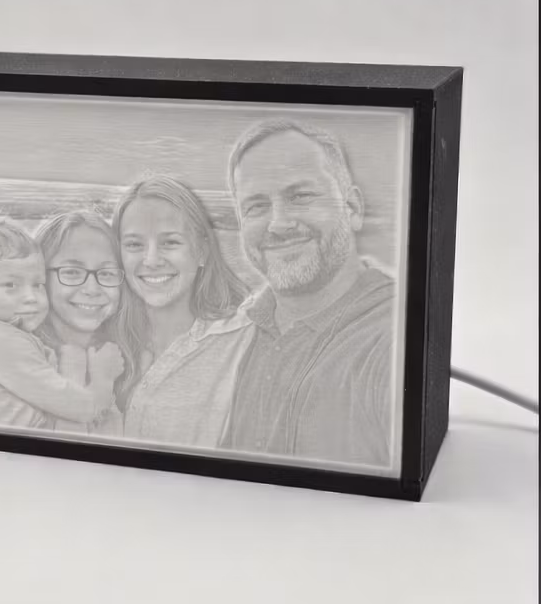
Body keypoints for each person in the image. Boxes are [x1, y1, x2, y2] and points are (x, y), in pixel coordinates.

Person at [224, 118, 395, 467]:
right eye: (256, 206)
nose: (279, 224)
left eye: (301, 196)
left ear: (352, 208)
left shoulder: (394, 339)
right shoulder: (237, 333)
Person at [0, 216, 123, 429]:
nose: (31, 297)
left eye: (37, 284)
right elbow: (80, 410)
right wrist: (104, 377)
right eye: (11, 285)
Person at [113, 175, 255, 448]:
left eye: (170, 242)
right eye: (134, 244)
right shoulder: (106, 336)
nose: (151, 260)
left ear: (202, 251)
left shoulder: (242, 339)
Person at [34, 210, 134, 435]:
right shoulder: (23, 362)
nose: (92, 289)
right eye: (72, 272)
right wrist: (101, 382)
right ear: (39, 277)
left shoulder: (126, 360)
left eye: (106, 273)